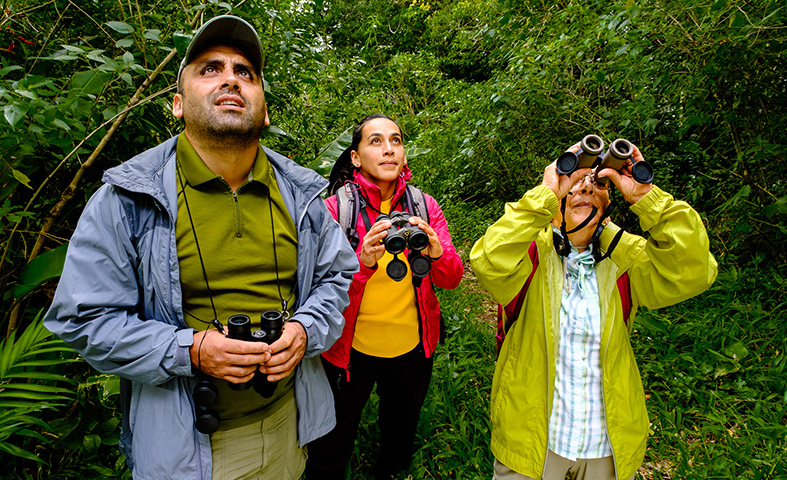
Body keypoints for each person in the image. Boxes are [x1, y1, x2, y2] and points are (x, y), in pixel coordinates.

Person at [43, 15, 358, 480]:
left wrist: (305, 331)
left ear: (264, 110)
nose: (231, 77)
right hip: (184, 448)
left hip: (290, 428)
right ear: (177, 103)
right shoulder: (128, 198)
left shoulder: (303, 193)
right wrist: (189, 350)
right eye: (210, 68)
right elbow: (83, 318)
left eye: (245, 72)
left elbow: (338, 277)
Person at [470, 141, 718, 480]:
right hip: (533, 441)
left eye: (598, 183)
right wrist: (545, 193)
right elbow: (487, 259)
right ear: (557, 200)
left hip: (606, 446)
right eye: (576, 183)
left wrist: (648, 198)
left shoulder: (626, 258)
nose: (586, 187)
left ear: (609, 200)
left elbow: (694, 270)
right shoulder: (530, 252)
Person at [304, 114, 464, 479]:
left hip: (411, 350)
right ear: (356, 157)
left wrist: (437, 252)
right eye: (375, 141)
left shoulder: (424, 206)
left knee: (398, 442)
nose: (389, 149)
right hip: (348, 353)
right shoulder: (335, 211)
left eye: (395, 140)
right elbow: (317, 290)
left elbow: (452, 279)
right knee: (330, 447)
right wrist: (362, 262)